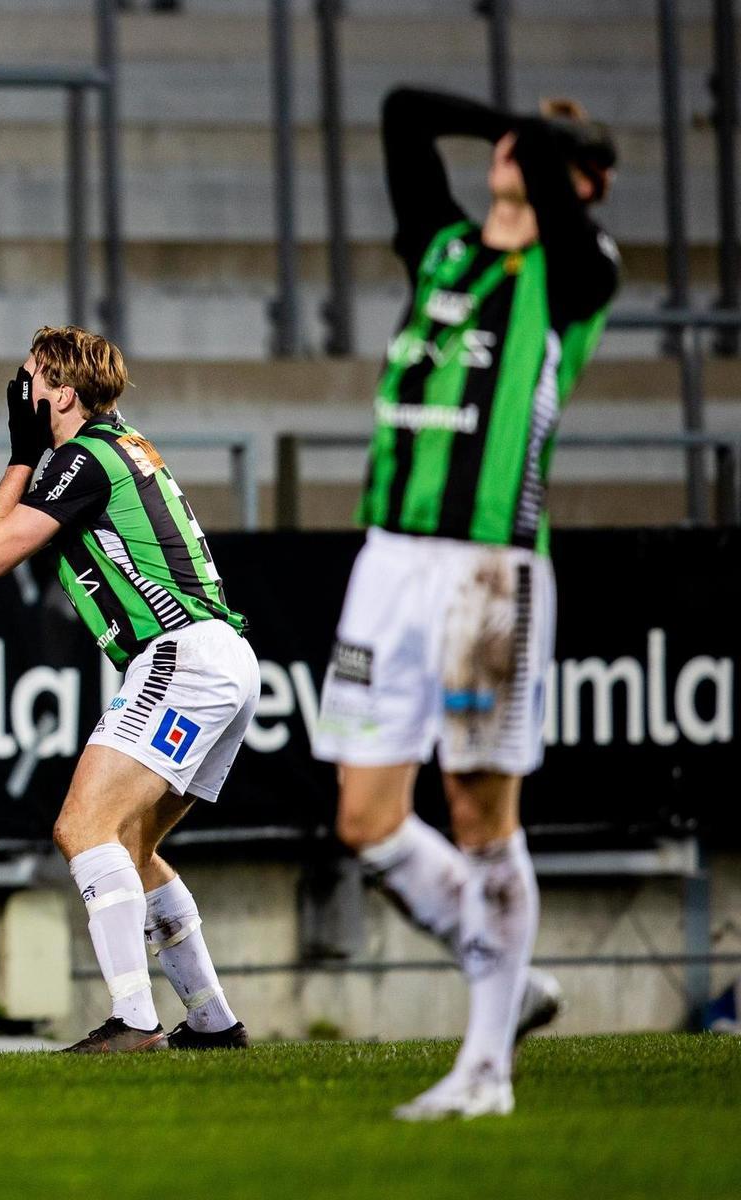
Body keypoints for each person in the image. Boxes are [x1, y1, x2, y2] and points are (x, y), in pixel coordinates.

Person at [312, 87, 619, 1121]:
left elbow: (560, 206)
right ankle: (509, 974)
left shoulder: (580, 271)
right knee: (365, 817)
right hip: (386, 563)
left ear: (585, 185)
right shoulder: (442, 248)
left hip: (489, 572)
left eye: (544, 153)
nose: (514, 156)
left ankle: (486, 1066)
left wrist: (544, 148)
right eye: (512, 143)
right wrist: (518, 122)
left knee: (483, 814)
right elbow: (398, 109)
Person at [0, 326, 255, 1054]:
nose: (22, 393)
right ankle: (214, 1021)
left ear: (62, 394)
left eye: (30, 379)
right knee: (132, 844)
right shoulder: (121, 443)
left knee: (80, 829)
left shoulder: (81, 458)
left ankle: (134, 1020)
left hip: (180, 656)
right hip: (221, 657)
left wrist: (20, 454)